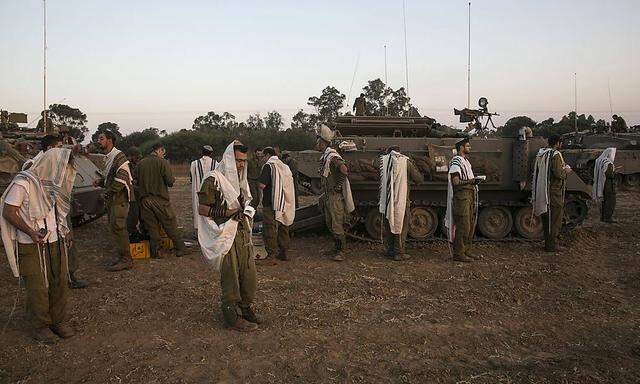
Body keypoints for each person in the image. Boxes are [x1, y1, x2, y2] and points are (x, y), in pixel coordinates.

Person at [1, 148, 77, 343]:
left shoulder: (52, 185)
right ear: (53, 165)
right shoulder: (24, 182)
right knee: (38, 287)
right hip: (31, 245)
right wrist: (31, 232)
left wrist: (64, 231)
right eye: (63, 166)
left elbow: (57, 212)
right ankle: (40, 326)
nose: (65, 171)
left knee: (59, 282)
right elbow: (9, 212)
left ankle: (57, 321)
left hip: (54, 241)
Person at [196, 140, 259, 332]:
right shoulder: (213, 179)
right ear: (230, 160)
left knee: (249, 274)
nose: (241, 165)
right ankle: (232, 316)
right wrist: (228, 213)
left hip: (241, 232)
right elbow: (203, 209)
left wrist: (246, 210)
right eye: (238, 161)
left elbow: (246, 200)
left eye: (244, 161)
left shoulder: (241, 181)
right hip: (224, 235)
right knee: (230, 275)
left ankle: (245, 307)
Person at [135, 143, 186, 258]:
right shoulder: (162, 162)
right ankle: (181, 248)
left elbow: (135, 182)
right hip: (160, 200)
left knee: (152, 227)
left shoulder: (140, 164)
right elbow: (170, 182)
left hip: (144, 200)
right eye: (163, 152)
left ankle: (156, 251)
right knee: (170, 224)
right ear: (159, 150)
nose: (163, 155)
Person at [95, 130, 134, 271]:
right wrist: (101, 182)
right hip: (114, 199)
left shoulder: (119, 156)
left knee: (119, 228)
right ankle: (122, 256)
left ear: (110, 140)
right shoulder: (109, 157)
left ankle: (126, 259)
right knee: (114, 228)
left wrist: (106, 193)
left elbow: (121, 180)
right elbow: (110, 179)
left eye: (101, 138)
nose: (98, 141)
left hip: (119, 199)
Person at [316, 124, 355, 261]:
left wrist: (338, 186)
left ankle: (342, 251)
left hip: (334, 197)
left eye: (318, 141)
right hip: (328, 195)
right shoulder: (326, 156)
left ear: (323, 143)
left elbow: (344, 169)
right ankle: (336, 248)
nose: (316, 144)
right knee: (330, 222)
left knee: (337, 224)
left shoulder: (332, 156)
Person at [378, 146, 424, 261]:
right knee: (400, 224)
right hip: (401, 199)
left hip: (387, 199)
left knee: (388, 223)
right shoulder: (406, 161)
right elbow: (419, 179)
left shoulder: (383, 161)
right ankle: (399, 252)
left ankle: (390, 250)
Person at [256, 147, 296, 265]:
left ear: (268, 155)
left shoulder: (269, 166)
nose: (262, 158)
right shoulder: (284, 166)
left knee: (270, 228)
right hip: (285, 201)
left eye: (263, 156)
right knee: (284, 226)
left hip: (271, 202)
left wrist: (256, 183)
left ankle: (271, 256)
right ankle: (284, 252)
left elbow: (262, 185)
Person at [444, 138, 482, 262]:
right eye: (467, 146)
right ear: (461, 147)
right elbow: (456, 182)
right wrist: (471, 181)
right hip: (462, 196)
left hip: (469, 195)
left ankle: (466, 250)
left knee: (470, 224)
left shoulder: (465, 161)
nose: (469, 148)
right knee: (463, 225)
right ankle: (458, 253)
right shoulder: (456, 161)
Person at [532, 134, 572, 252]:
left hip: (544, 190)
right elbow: (559, 174)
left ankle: (549, 243)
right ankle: (551, 245)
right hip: (554, 192)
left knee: (547, 218)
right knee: (555, 218)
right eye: (560, 142)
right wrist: (567, 172)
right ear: (558, 143)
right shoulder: (555, 155)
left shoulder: (542, 152)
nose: (561, 144)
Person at [190, 145, 217, 234]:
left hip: (197, 191)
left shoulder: (194, 164)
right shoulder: (216, 164)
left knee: (198, 210)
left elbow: (191, 177)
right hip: (211, 192)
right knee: (210, 210)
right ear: (211, 153)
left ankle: (200, 233)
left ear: (202, 152)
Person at [592, 147, 617, 223]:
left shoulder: (600, 161)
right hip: (609, 185)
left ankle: (603, 217)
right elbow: (609, 175)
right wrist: (614, 172)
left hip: (603, 184)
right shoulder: (608, 163)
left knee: (604, 201)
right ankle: (608, 218)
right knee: (610, 202)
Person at [126, 146, 144, 241]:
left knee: (142, 214)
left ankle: (142, 231)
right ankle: (131, 232)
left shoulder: (140, 164)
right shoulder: (128, 165)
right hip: (133, 193)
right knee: (134, 214)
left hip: (140, 193)